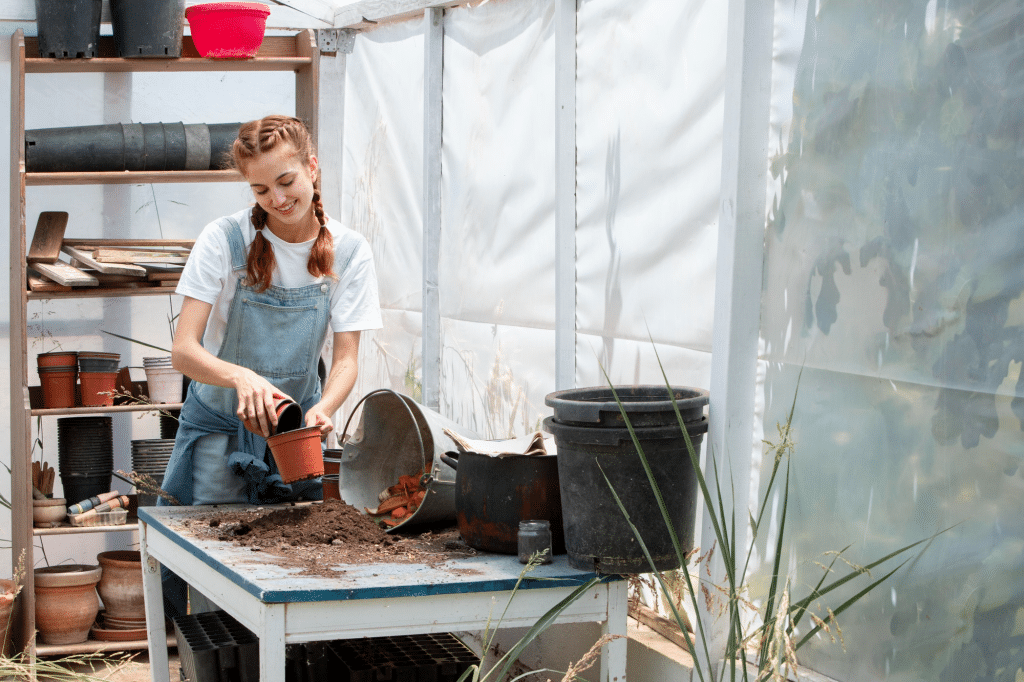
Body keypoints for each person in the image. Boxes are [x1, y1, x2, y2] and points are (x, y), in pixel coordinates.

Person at [159, 115, 382, 617]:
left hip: (292, 442)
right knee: (214, 583)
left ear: (313, 168)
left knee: (291, 580)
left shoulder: (348, 251)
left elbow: (346, 359)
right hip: (219, 433)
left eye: (286, 182)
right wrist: (240, 375)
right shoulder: (224, 240)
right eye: (260, 190)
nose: (276, 200)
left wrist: (324, 408)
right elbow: (183, 351)